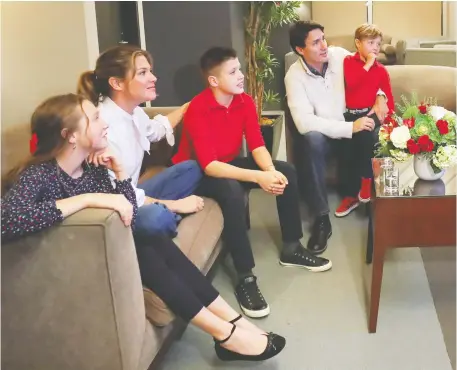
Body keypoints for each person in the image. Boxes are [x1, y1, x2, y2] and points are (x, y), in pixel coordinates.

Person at [1, 94, 286, 362]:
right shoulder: (39, 174)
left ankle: (231, 323)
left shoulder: (93, 169)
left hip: (107, 248)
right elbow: (7, 220)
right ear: (71, 135)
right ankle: (226, 334)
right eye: (96, 119)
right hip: (67, 264)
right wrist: (87, 199)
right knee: (147, 247)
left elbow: (129, 214)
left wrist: (120, 172)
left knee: (151, 242)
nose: (106, 124)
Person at [173, 46, 332, 319]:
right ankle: (245, 277)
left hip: (226, 163)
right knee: (233, 191)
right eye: (233, 71)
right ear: (213, 80)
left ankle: (292, 247)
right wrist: (259, 177)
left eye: (240, 69)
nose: (241, 75)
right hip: (196, 172)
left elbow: (257, 144)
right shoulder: (198, 108)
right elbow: (209, 166)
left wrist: (270, 171)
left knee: (287, 173)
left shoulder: (244, 101)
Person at [77, 45, 204, 241]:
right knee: (157, 217)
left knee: (191, 168)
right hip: (114, 209)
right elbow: (115, 195)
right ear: (117, 83)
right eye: (143, 73)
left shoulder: (133, 111)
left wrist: (188, 107)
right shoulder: (101, 127)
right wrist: (175, 205)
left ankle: (166, 213)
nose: (153, 78)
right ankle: (169, 215)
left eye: (150, 71)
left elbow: (155, 130)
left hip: (132, 193)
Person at [285, 21, 390, 255]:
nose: (324, 46)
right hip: (326, 134)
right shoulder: (294, 77)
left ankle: (374, 201)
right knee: (311, 139)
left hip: (352, 128)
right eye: (315, 42)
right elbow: (304, 123)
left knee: (371, 128)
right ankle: (321, 218)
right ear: (300, 50)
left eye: (324, 38)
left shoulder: (339, 56)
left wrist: (380, 95)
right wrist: (349, 127)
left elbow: (373, 70)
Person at [338, 23, 394, 216]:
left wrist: (385, 119)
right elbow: (352, 84)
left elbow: (389, 101)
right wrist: (367, 64)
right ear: (358, 43)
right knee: (348, 145)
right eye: (370, 43)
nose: (375, 48)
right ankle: (350, 194)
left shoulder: (381, 70)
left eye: (378, 44)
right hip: (350, 114)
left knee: (365, 134)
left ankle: (366, 182)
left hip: (369, 115)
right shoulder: (348, 62)